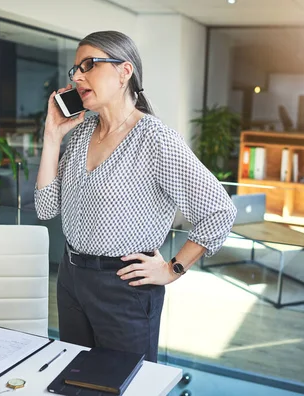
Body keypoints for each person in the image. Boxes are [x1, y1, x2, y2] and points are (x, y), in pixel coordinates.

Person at [34, 31, 237, 363]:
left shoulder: (155, 140)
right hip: (70, 279)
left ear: (124, 71)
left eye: (89, 65)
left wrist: (173, 268)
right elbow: (45, 208)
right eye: (75, 70)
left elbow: (218, 211)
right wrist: (52, 136)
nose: (78, 76)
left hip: (124, 288)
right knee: (77, 379)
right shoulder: (82, 132)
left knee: (125, 384)